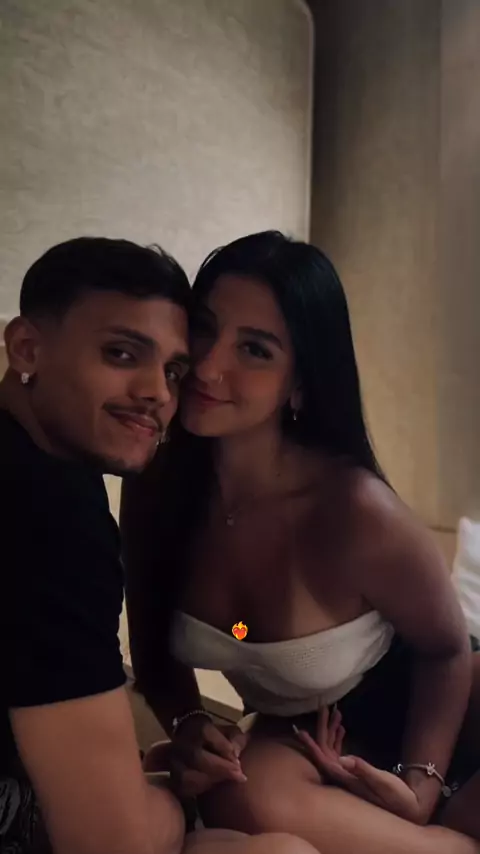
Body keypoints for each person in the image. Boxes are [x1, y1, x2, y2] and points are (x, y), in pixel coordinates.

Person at [121, 231, 480, 854]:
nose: (207, 366)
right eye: (204, 328)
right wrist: (191, 722)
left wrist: (421, 786)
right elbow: (162, 651)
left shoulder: (354, 508)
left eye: (254, 349)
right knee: (235, 796)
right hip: (310, 733)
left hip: (450, 721)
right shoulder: (154, 482)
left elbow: (446, 650)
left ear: (300, 382)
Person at [0, 236, 318, 854]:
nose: (160, 392)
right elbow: (111, 840)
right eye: (122, 353)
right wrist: (173, 793)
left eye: (173, 370)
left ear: (298, 386)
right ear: (27, 347)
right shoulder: (55, 507)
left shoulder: (344, 503)